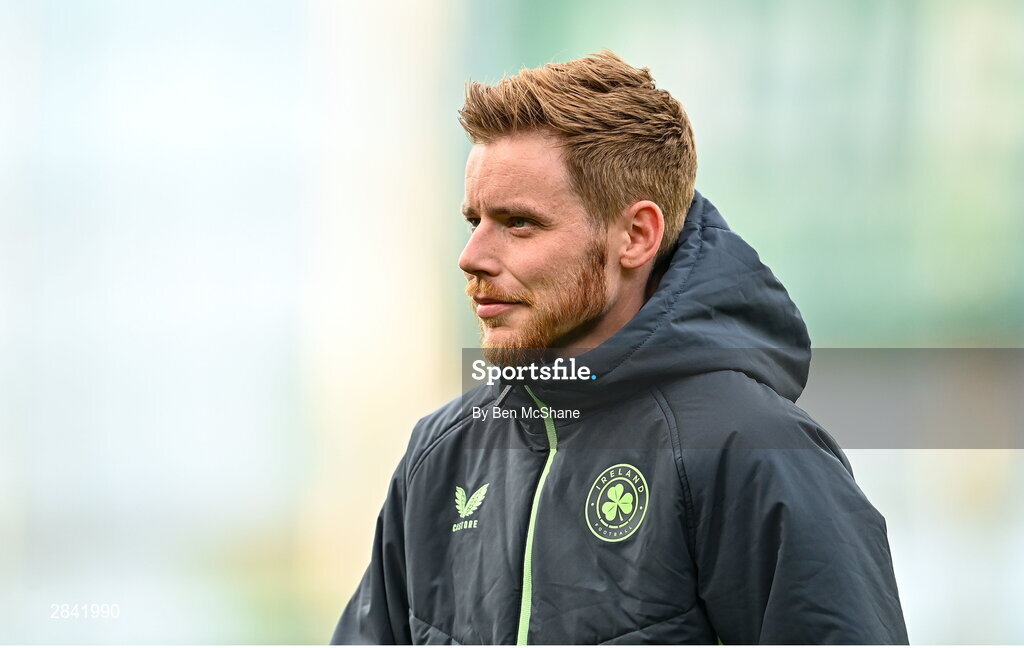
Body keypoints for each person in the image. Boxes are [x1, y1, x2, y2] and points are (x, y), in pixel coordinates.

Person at [330, 50, 908, 645]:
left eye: (519, 223)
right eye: (474, 219)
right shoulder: (440, 455)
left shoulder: (754, 449)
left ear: (636, 236)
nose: (472, 256)